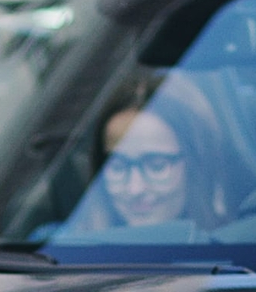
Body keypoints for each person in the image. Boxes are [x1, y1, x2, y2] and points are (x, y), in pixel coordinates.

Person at [78, 71, 238, 236]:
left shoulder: (239, 248)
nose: (135, 189)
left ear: (196, 164)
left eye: (157, 166)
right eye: (117, 166)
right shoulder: (63, 250)